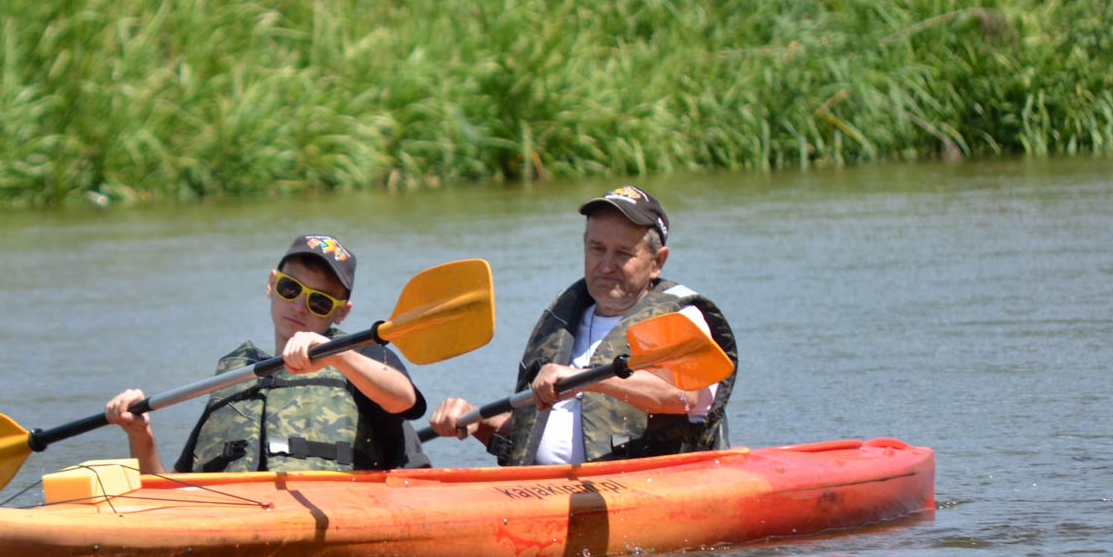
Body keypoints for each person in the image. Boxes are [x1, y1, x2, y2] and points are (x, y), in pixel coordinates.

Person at [428, 186, 736, 464]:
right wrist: (476, 422)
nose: (606, 265)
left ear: (658, 262)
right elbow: (530, 435)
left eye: (623, 253)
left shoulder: (678, 318)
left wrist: (583, 379)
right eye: (597, 248)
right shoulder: (564, 321)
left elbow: (683, 396)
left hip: (645, 488)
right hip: (542, 491)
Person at [105, 234, 430, 475]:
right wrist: (140, 435)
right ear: (272, 284)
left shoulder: (362, 355)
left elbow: (403, 400)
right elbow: (168, 496)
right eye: (291, 289)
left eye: (319, 302)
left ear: (341, 314)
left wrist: (336, 356)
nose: (299, 306)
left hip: (339, 510)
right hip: (238, 521)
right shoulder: (236, 376)